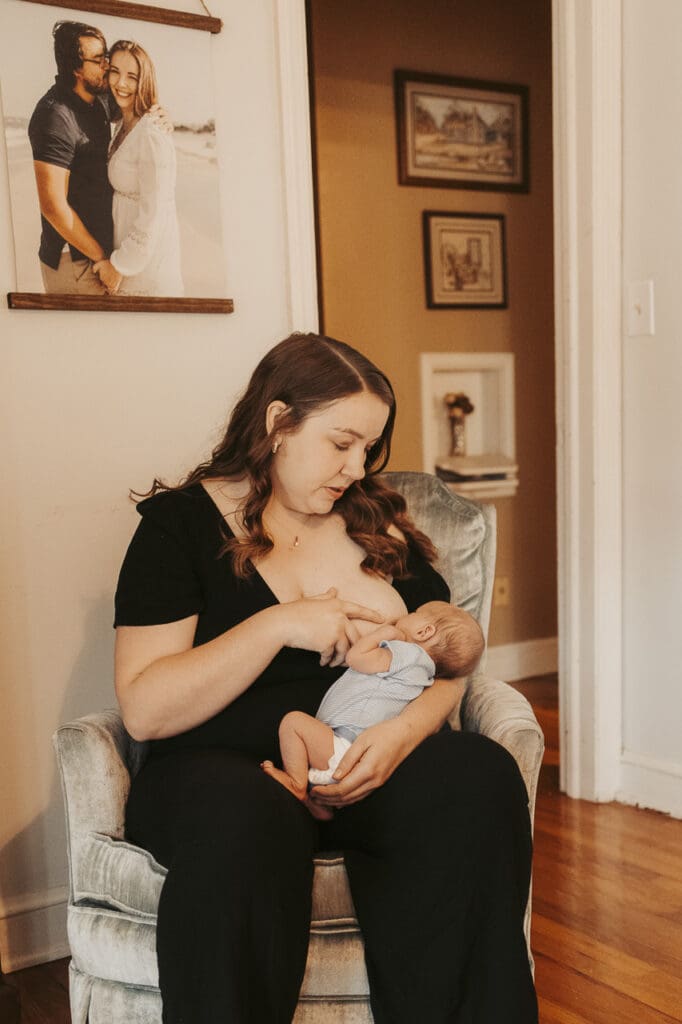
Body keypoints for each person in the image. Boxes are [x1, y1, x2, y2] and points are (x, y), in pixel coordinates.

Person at [114, 332, 538, 1023]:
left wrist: (401, 735)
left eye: (369, 448)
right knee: (243, 822)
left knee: (477, 778)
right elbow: (143, 710)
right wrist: (279, 625)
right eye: (341, 443)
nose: (357, 466)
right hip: (224, 767)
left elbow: (453, 663)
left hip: (367, 753)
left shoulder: (378, 525)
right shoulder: (178, 528)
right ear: (278, 423)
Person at [261, 602, 484, 815]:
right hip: (357, 757)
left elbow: (356, 658)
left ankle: (296, 784)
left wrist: (382, 634)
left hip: (343, 746)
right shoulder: (424, 673)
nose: (406, 615)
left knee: (293, 722)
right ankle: (318, 805)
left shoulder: (406, 655)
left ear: (424, 631)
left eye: (414, 612)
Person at [93, 40, 183, 297]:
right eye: (115, 72)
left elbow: (153, 211)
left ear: (144, 81)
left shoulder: (152, 132)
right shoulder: (122, 125)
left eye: (132, 76)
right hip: (128, 262)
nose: (120, 83)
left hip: (147, 271)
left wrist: (120, 265)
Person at [28, 21, 112, 294]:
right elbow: (53, 206)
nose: (107, 65)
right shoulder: (54, 116)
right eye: (99, 59)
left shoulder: (97, 98)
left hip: (95, 256)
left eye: (106, 55)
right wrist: (100, 257)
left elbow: (133, 109)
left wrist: (161, 115)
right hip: (74, 262)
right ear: (76, 68)